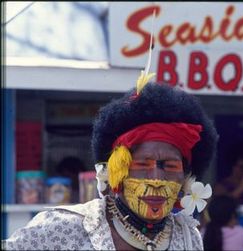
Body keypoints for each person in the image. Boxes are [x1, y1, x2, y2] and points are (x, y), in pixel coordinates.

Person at [3, 42, 218, 249]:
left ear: (185, 180)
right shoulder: (63, 228)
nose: (157, 180)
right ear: (118, 171)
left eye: (170, 166)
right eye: (142, 164)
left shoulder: (188, 238)